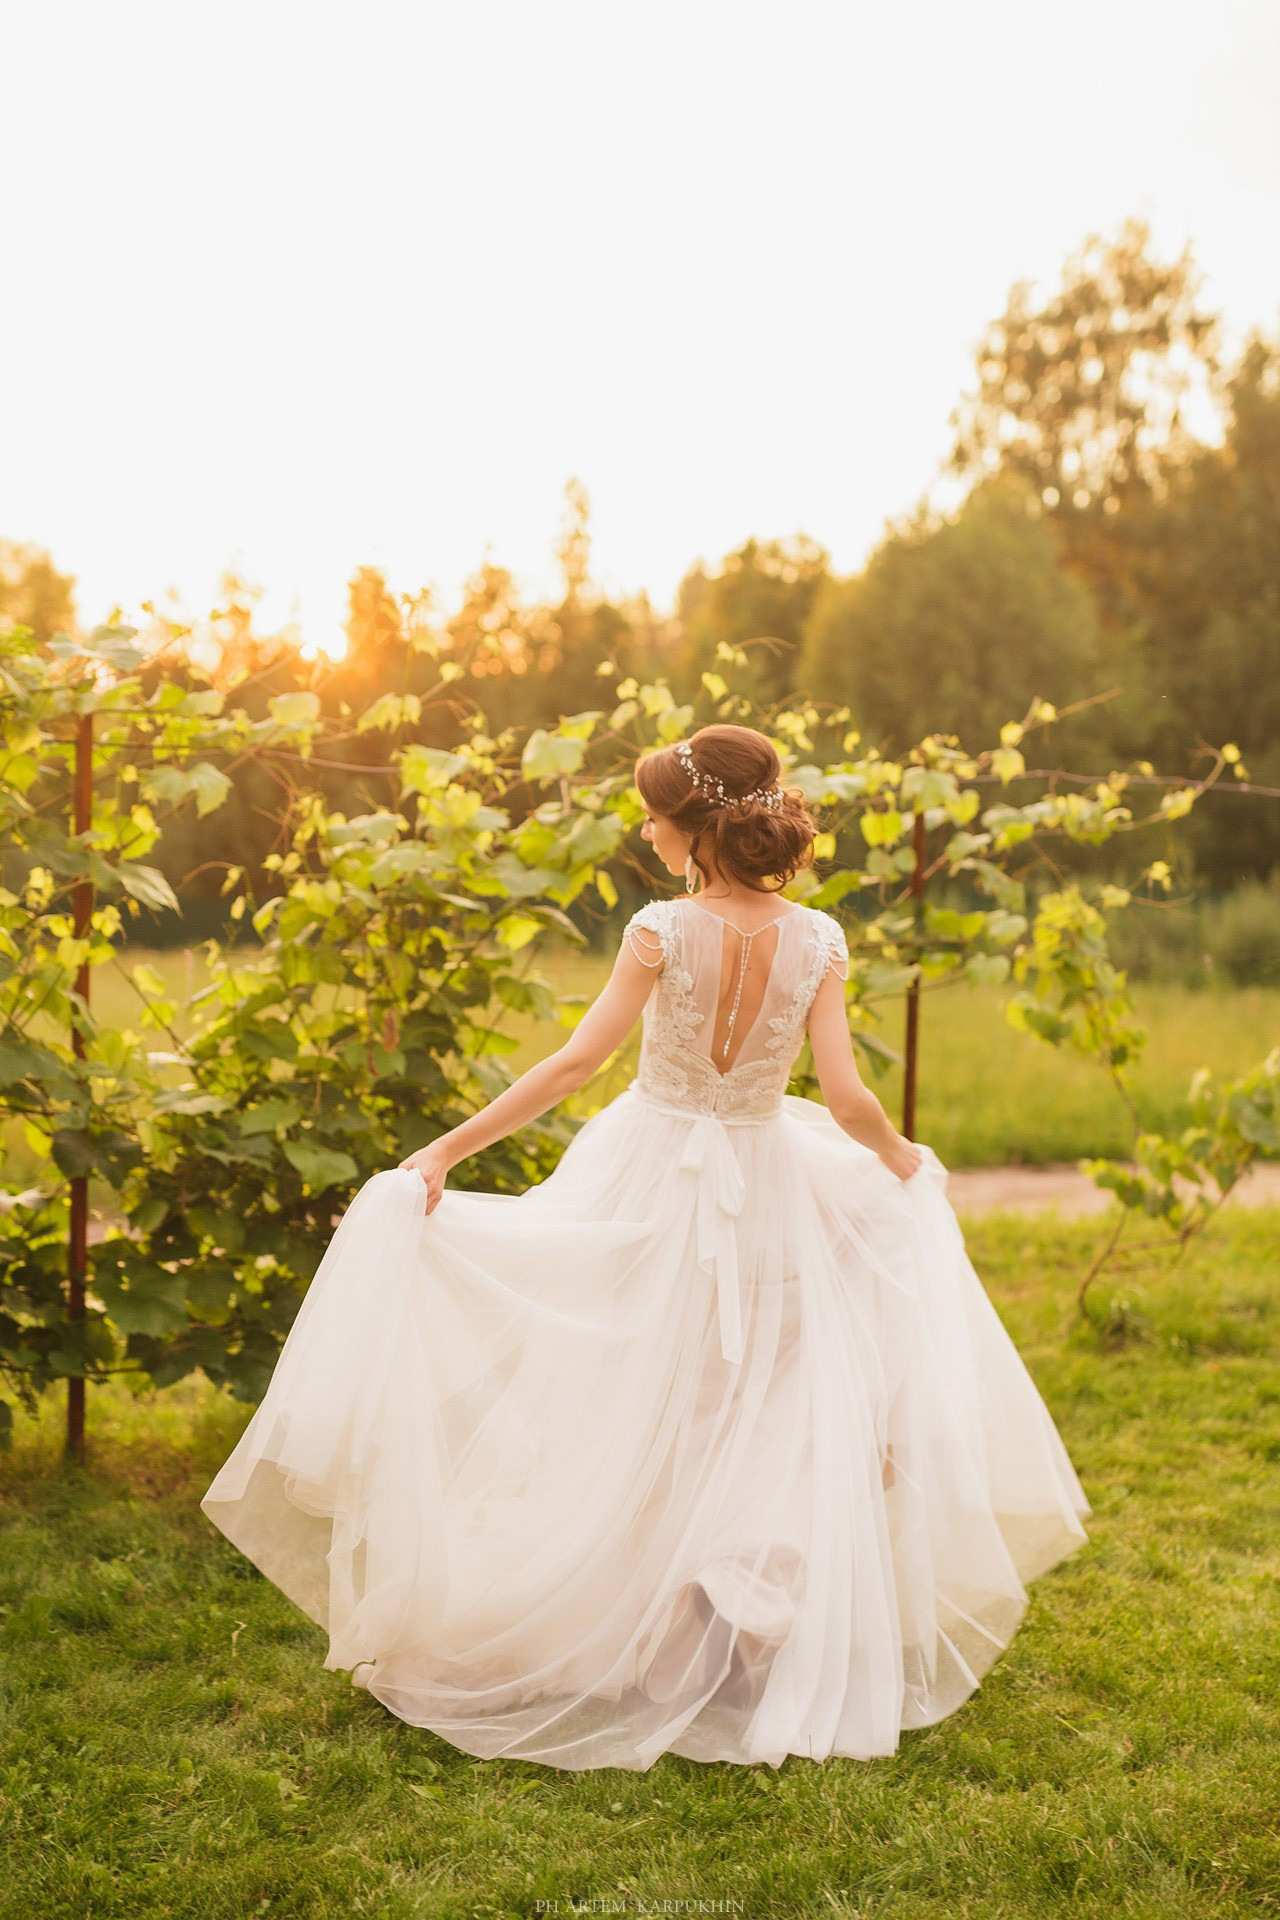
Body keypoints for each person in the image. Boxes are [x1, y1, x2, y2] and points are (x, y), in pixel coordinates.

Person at [200, 723, 1089, 1773]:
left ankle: (655, 1620)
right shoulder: (818, 941)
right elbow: (845, 1099)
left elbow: (578, 1063)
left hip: (648, 1171)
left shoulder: (659, 929)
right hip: (767, 1181)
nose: (642, 827)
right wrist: (903, 1162)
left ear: (690, 827)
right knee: (754, 1392)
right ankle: (721, 1612)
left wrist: (438, 1155)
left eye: (652, 813)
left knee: (630, 1387)